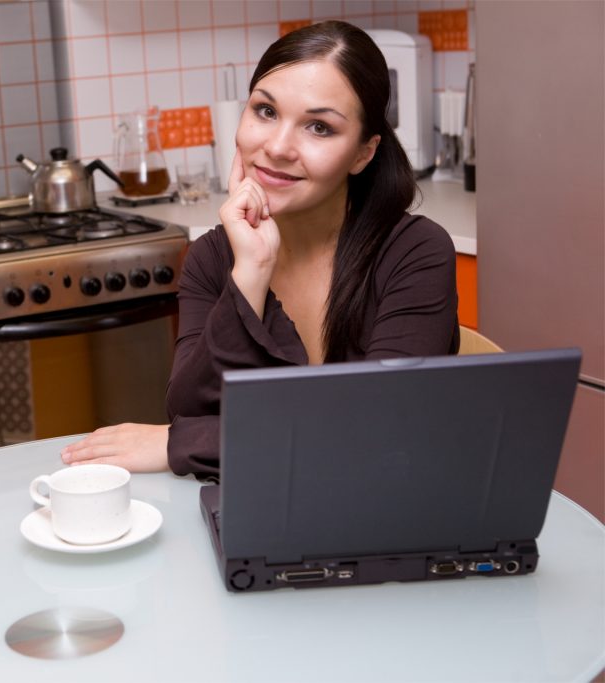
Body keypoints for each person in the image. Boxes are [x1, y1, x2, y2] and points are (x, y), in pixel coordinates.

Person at [60, 21, 459, 479]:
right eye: (265, 111)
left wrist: (181, 444)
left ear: (363, 154)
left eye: (319, 127)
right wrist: (251, 272)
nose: (277, 147)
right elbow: (190, 407)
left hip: (380, 516)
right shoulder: (216, 256)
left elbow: (374, 432)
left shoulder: (415, 254)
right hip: (257, 507)